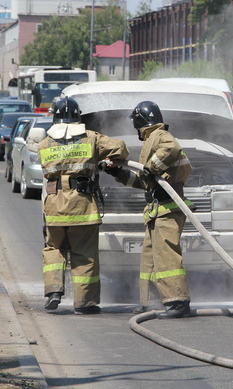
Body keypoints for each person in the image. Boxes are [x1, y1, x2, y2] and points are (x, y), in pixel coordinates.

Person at [39, 97, 129, 315]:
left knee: (54, 249)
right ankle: (84, 303)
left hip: (54, 206)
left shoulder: (45, 143)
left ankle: (54, 291)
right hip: (82, 206)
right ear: (78, 117)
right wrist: (102, 162)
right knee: (84, 255)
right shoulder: (91, 138)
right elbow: (121, 149)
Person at [109, 101, 194, 319]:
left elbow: (171, 149)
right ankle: (151, 302)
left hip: (168, 205)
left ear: (141, 120)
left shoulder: (158, 135)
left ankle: (178, 302)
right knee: (150, 256)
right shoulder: (151, 139)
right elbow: (143, 181)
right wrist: (116, 173)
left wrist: (152, 166)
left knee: (166, 256)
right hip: (157, 208)